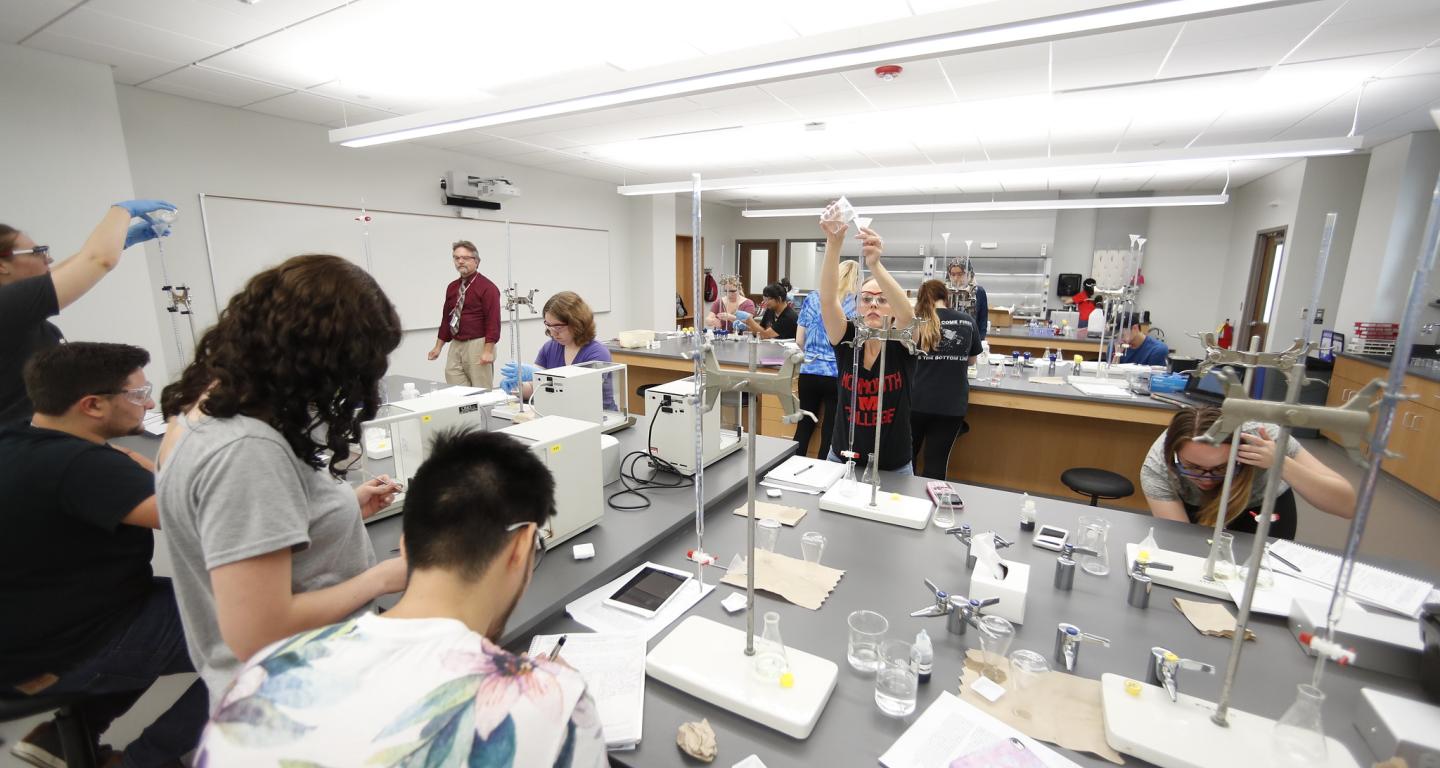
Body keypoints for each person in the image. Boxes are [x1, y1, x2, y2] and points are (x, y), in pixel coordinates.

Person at [193, 429, 606, 767]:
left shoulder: (254, 682)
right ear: (522, 548)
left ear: (405, 545)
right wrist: (552, 683)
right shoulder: (554, 706)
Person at [156, 254, 409, 708]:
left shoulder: (205, 408)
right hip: (300, 692)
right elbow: (258, 631)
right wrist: (384, 577)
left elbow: (246, 532)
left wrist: (338, 505)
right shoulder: (245, 450)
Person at [1, 343, 206, 768]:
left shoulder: (19, 436)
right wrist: (178, 438)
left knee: (172, 602)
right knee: (268, 641)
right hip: (67, 649)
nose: (148, 403)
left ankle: (60, 738)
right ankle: (146, 761)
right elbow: (205, 518)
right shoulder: (82, 464)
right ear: (91, 405)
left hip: (32, 634)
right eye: (137, 395)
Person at [1, 200, 174, 426]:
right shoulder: (7, 306)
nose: (49, 258)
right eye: (38, 251)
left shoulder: (21, 314)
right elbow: (98, 260)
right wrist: (122, 211)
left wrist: (119, 243)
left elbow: (68, 270)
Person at [1141, 407, 1356, 540]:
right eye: (1192, 467)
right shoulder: (1158, 467)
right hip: (1192, 509)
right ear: (1175, 457)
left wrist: (1281, 463)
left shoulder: (1264, 438)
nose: (1206, 478)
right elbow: (1185, 545)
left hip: (1260, 507)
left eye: (1221, 468)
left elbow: (1346, 505)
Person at [819, 211, 917, 475]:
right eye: (866, 298)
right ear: (858, 304)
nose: (873, 303)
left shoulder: (902, 341)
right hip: (842, 458)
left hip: (892, 465)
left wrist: (875, 264)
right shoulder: (847, 336)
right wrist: (833, 244)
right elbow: (828, 300)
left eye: (882, 300)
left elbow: (907, 315)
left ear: (892, 307)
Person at [910, 280, 982, 480]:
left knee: (906, 460)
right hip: (950, 405)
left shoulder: (915, 322)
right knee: (936, 464)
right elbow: (972, 360)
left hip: (916, 401)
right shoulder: (967, 321)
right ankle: (932, 507)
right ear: (946, 296)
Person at [499, 290, 617, 410]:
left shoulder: (597, 353)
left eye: (558, 327)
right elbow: (537, 388)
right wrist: (517, 387)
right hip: (561, 412)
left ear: (577, 323)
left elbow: (579, 393)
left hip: (598, 415)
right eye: (548, 325)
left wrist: (542, 375)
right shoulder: (549, 348)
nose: (553, 332)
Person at [793, 261, 859, 458]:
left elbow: (799, 340)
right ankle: (822, 475)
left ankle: (791, 467)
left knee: (803, 426)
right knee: (830, 429)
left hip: (809, 371)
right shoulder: (856, 302)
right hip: (837, 373)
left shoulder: (813, 297)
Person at [429, 240, 501, 388]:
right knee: (454, 383)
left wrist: (488, 351)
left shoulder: (488, 287)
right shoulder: (452, 287)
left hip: (478, 343)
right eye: (456, 258)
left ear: (476, 261)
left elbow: (493, 322)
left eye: (465, 258)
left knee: (481, 388)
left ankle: (483, 411)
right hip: (456, 343)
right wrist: (438, 347)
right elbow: (446, 319)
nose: (460, 261)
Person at [945, 261, 988, 339]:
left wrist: (981, 340)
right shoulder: (944, 291)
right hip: (948, 337)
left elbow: (983, 320)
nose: (956, 278)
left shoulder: (978, 292)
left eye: (960, 274)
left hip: (972, 338)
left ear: (968, 274)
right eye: (953, 274)